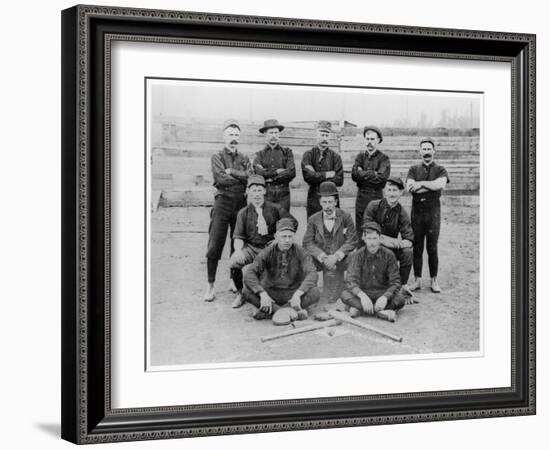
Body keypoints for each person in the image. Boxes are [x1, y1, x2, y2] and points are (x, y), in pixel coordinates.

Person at [229, 174, 296, 308]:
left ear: (265, 191)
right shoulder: (243, 213)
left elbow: (293, 222)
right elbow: (238, 236)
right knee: (234, 261)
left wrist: (279, 239)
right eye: (253, 190)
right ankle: (241, 293)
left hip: (270, 247)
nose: (257, 194)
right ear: (248, 192)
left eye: (260, 190)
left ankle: (275, 296)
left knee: (272, 274)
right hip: (252, 248)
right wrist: (237, 251)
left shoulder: (275, 208)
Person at [203, 119, 250, 302]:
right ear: (224, 136)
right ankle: (210, 285)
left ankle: (233, 279)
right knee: (215, 243)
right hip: (222, 202)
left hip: (240, 203)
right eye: (230, 135)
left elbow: (250, 177)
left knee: (236, 242)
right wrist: (239, 178)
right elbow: (221, 180)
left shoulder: (244, 158)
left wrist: (233, 172)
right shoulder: (217, 156)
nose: (233, 138)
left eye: (236, 135)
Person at [242, 218, 321, 322]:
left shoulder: (301, 252)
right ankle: (288, 312)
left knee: (315, 292)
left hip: (292, 293)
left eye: (290, 236)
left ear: (294, 237)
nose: (287, 240)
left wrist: (298, 294)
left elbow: (312, 273)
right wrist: (262, 294)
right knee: (246, 291)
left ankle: (271, 312)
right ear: (276, 237)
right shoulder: (268, 251)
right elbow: (250, 273)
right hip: (271, 292)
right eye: (283, 236)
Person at [340, 222, 410, 322]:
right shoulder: (357, 255)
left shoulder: (389, 255)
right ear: (364, 239)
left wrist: (385, 297)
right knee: (344, 294)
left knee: (400, 299)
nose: (372, 243)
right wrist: (362, 296)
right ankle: (382, 312)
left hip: (382, 292)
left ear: (380, 239)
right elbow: (351, 281)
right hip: (364, 293)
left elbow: (395, 281)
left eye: (374, 238)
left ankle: (359, 310)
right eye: (369, 238)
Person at [406, 138, 450, 293]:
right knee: (417, 247)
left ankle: (434, 280)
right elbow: (410, 188)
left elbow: (441, 184)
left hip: (433, 213)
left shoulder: (440, 169)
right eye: (423, 149)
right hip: (417, 212)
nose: (426, 151)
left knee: (432, 247)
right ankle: (417, 280)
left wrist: (422, 184)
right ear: (420, 152)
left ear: (434, 151)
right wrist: (431, 186)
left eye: (429, 149)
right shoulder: (413, 169)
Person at [303, 181, 357, 305]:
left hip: (339, 258)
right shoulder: (313, 219)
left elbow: (352, 240)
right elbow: (307, 242)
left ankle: (350, 293)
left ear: (336, 202)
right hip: (321, 258)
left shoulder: (345, 217)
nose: (327, 206)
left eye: (330, 202)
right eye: (324, 202)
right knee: (306, 260)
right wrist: (323, 257)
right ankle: (312, 294)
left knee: (355, 258)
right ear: (320, 202)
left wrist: (337, 256)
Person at [363, 176, 414, 288]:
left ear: (401, 192)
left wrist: (398, 243)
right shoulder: (373, 206)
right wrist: (392, 241)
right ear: (384, 192)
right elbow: (369, 233)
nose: (392, 194)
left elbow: (409, 240)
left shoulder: (402, 213)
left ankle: (401, 285)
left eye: (395, 190)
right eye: (389, 190)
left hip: (390, 249)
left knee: (407, 253)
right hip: (372, 246)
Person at [351, 125, 390, 240]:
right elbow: (354, 175)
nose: (369, 142)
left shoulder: (384, 159)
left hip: (376, 198)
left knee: (376, 231)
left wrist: (362, 174)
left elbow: (382, 179)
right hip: (361, 198)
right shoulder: (360, 157)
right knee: (360, 232)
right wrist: (373, 173)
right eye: (367, 139)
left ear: (378, 140)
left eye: (372, 139)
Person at [301, 120, 344, 218]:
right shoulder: (308, 155)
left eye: (327, 135)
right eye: (322, 135)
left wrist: (316, 175)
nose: (325, 138)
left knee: (332, 228)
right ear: (316, 135)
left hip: (331, 199)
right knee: (314, 227)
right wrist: (326, 175)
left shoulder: (336, 157)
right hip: (314, 199)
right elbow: (308, 177)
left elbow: (339, 180)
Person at [252, 119, 296, 212]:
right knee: (268, 222)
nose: (274, 136)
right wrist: (276, 171)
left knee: (283, 222)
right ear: (265, 134)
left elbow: (291, 172)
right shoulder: (259, 154)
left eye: (276, 133)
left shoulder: (287, 152)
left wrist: (270, 177)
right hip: (267, 195)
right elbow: (258, 172)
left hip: (283, 195)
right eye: (271, 133)